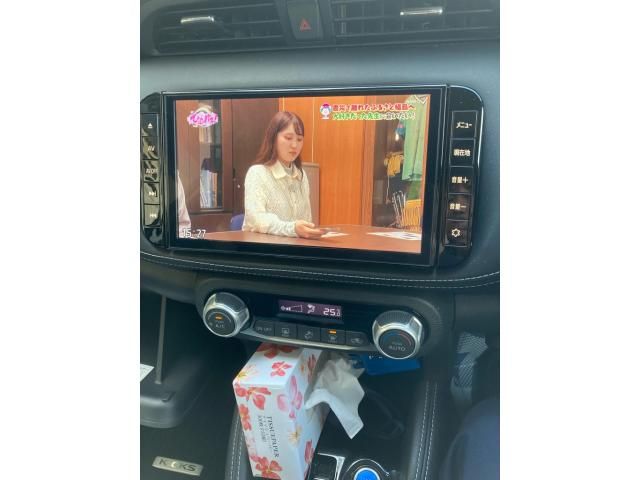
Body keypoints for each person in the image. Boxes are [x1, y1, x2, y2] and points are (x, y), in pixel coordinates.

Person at [243, 111, 324, 239]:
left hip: (294, 247)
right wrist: (292, 228)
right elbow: (256, 219)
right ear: (273, 138)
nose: (294, 145)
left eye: (299, 139)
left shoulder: (301, 175)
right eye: (288, 138)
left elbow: (306, 219)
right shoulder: (257, 173)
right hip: (262, 248)